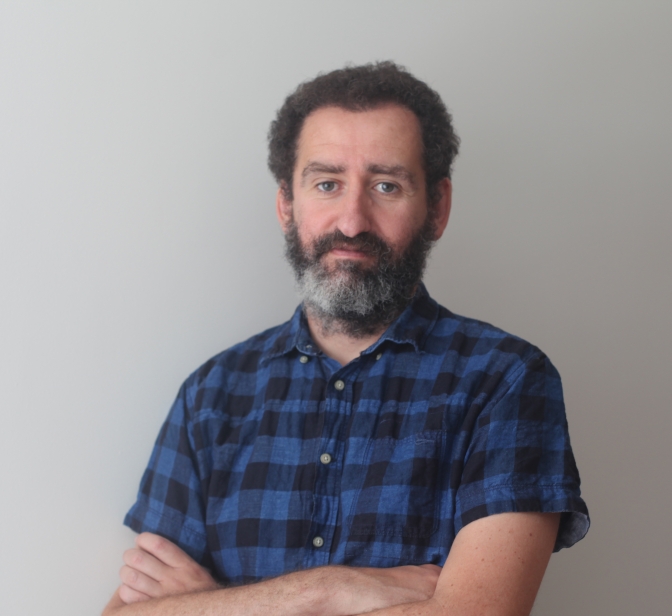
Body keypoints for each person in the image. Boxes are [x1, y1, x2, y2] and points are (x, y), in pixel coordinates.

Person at [103, 61, 589, 616]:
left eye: (386, 185)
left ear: (437, 209)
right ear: (287, 205)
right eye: (327, 184)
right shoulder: (211, 396)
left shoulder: (505, 381)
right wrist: (327, 589)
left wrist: (211, 606)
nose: (352, 221)